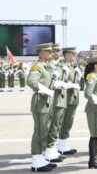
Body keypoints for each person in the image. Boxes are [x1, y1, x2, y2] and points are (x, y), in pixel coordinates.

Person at [27, 43, 57, 172]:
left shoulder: (46, 67)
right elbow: (31, 81)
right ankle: (36, 161)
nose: (51, 54)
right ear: (40, 53)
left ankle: (40, 158)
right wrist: (46, 90)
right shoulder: (37, 66)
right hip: (40, 101)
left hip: (47, 101)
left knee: (44, 131)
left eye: (51, 52)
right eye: (48, 52)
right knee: (39, 131)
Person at [45, 43, 68, 163]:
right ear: (52, 52)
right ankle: (49, 150)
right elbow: (50, 82)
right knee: (53, 125)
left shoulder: (59, 65)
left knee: (57, 125)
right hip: (56, 98)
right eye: (57, 51)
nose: (59, 52)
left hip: (61, 98)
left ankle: (52, 149)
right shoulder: (51, 66)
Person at [58, 47, 81, 156]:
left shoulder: (73, 66)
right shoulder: (62, 66)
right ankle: (61, 145)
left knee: (68, 122)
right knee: (63, 122)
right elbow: (60, 82)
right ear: (66, 55)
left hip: (73, 98)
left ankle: (64, 143)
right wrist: (72, 85)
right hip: (65, 97)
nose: (74, 55)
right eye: (72, 54)